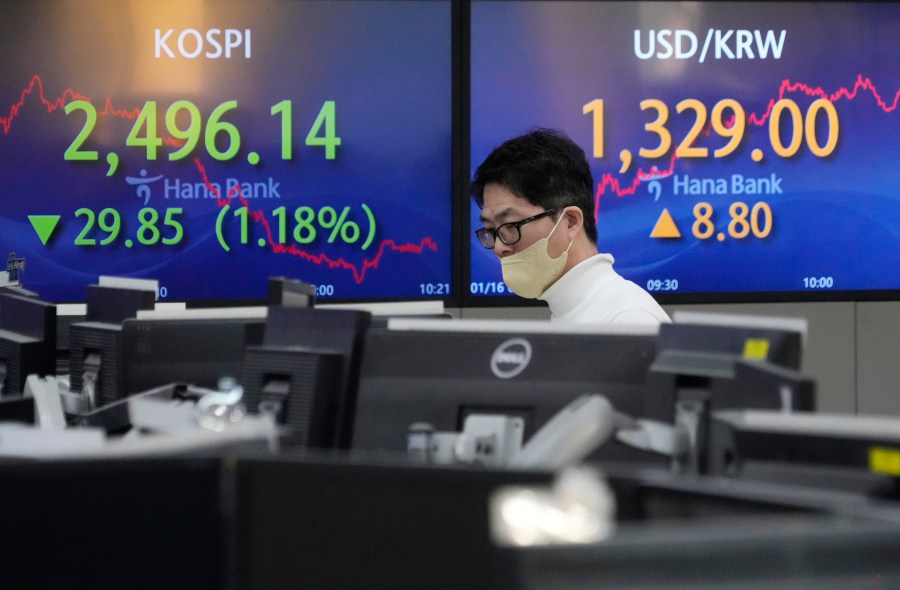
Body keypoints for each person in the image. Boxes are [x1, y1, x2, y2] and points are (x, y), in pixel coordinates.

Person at [470, 128, 671, 325]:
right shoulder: (570, 311)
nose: (498, 247)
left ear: (570, 221)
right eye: (491, 231)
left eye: (510, 226)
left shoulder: (629, 319)